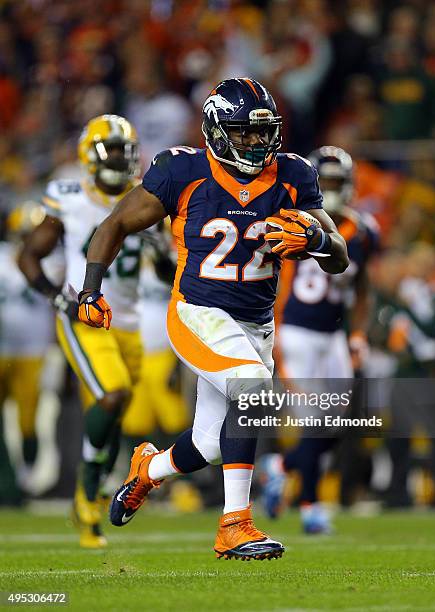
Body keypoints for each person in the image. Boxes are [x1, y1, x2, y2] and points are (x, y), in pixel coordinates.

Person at [77, 78, 348, 561]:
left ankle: (149, 470)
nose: (256, 143)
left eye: (262, 133)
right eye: (244, 133)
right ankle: (234, 525)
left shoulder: (292, 175)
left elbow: (339, 255)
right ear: (218, 131)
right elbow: (115, 221)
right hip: (198, 312)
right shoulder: (183, 171)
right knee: (252, 389)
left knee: (209, 443)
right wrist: (90, 290)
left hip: (255, 324)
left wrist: (317, 242)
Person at [18, 114, 145, 549]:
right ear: (89, 155)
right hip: (84, 317)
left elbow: (165, 267)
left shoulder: (144, 195)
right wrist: (58, 298)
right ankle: (87, 493)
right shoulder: (67, 195)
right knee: (112, 395)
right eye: (110, 149)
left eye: (124, 150)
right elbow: (29, 256)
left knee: (113, 416)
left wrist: (165, 250)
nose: (118, 158)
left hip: (129, 320)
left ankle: (95, 481)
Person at [261, 146, 379, 532]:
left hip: (333, 337)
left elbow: (363, 289)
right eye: (323, 182)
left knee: (336, 424)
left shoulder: (362, 231)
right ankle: (311, 506)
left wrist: (358, 333)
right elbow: (277, 284)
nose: (329, 189)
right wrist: (273, 334)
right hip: (297, 333)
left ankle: (281, 466)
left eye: (336, 182)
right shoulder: (291, 222)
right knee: (315, 422)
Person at [0, 203, 60, 501]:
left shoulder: (52, 262)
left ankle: (24, 479)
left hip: (35, 351)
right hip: (4, 349)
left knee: (29, 420)